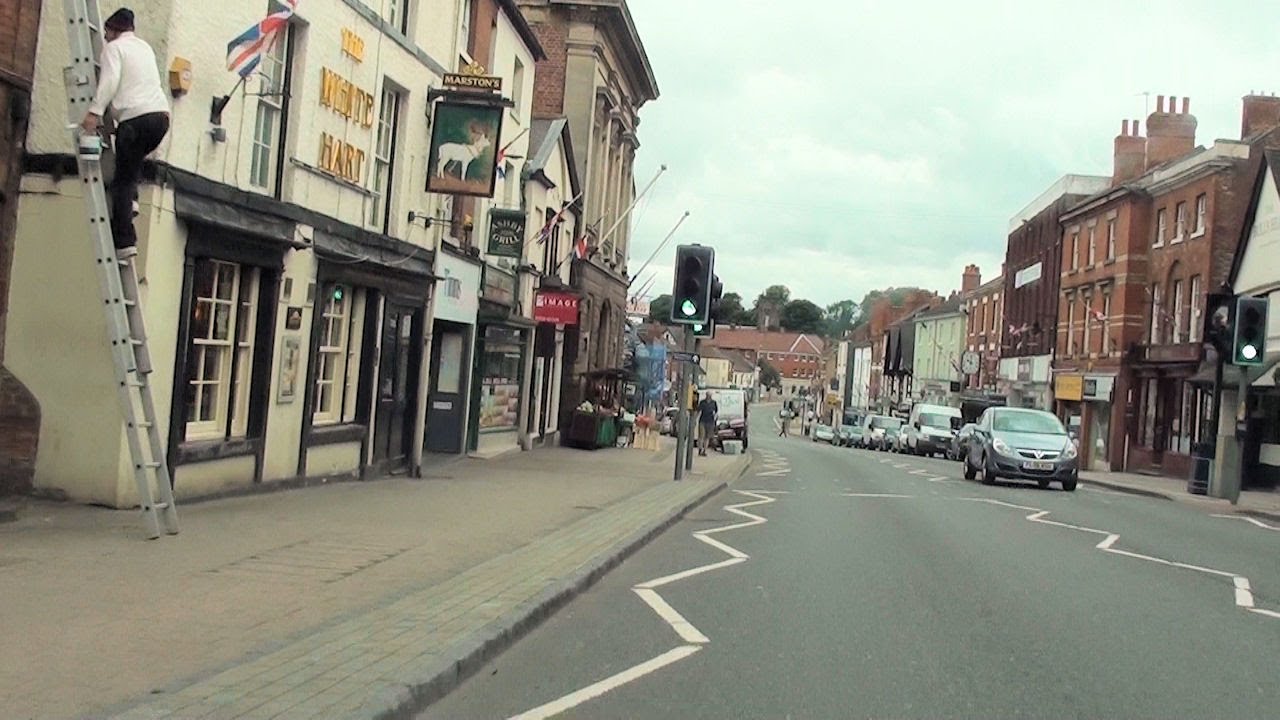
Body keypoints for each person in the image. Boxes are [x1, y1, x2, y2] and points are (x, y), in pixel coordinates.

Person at [81, 8, 170, 251]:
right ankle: (132, 201)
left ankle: (124, 242)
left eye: (107, 33)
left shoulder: (114, 48)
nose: (106, 38)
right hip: (161, 118)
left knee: (121, 180)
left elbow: (109, 81)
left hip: (135, 119)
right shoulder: (144, 48)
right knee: (133, 161)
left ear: (111, 29)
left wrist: (94, 111)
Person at [697, 391, 718, 456]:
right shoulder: (702, 402)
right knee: (701, 436)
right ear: (706, 395)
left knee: (707, 437)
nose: (709, 396)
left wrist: (715, 418)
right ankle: (700, 449)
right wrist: (695, 419)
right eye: (708, 395)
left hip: (710, 421)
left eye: (710, 395)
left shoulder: (714, 403)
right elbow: (699, 411)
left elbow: (716, 412)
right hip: (702, 421)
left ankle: (704, 450)